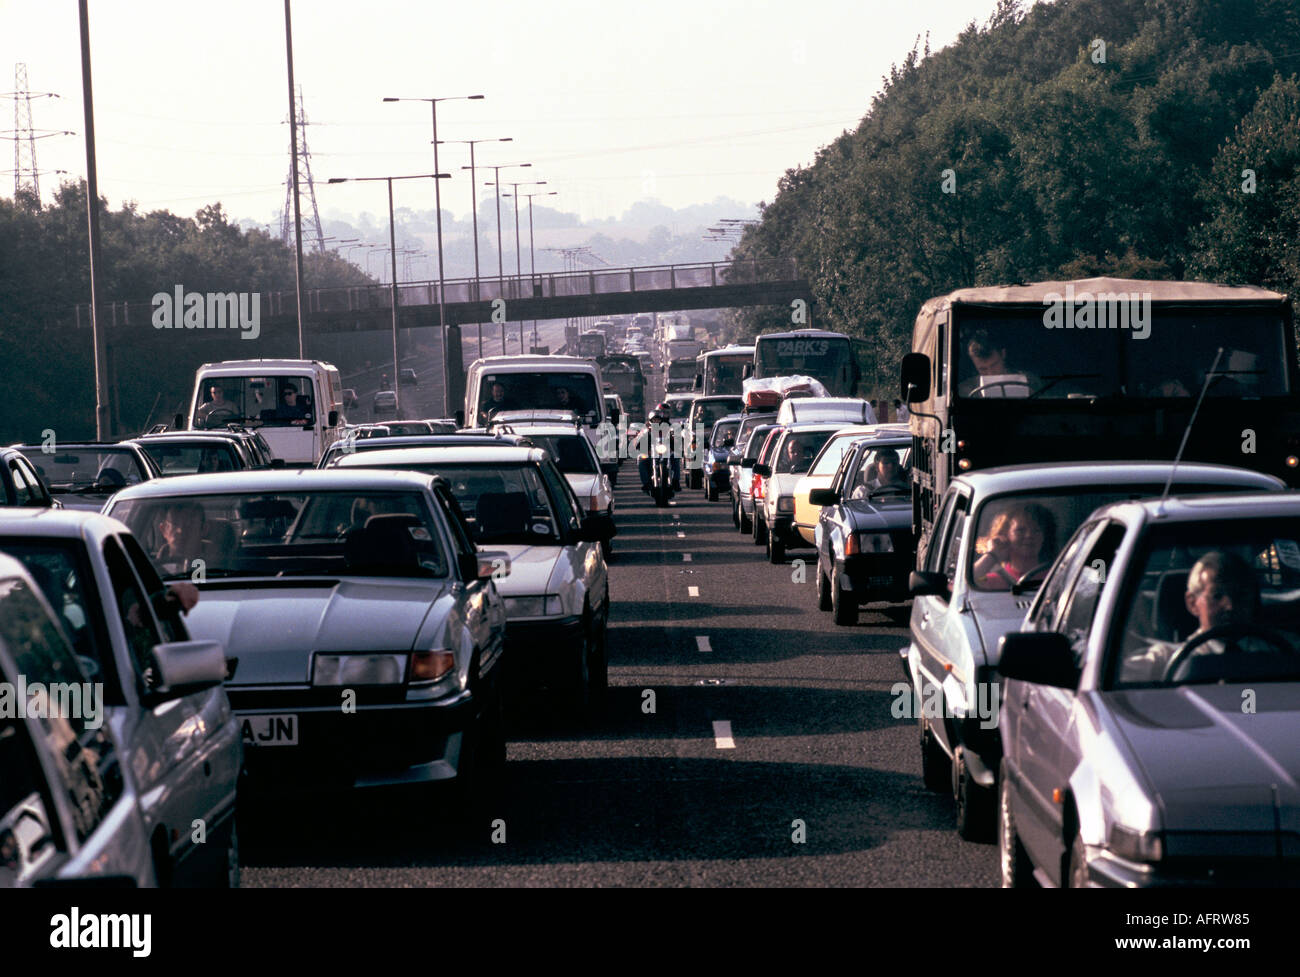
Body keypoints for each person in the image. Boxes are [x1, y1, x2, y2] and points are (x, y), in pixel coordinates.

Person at [1121, 551, 1262, 683]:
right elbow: (1114, 679)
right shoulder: (1165, 659)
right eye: (1217, 596)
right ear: (1192, 602)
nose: (1230, 606)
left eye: (1241, 595)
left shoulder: (1278, 652)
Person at [973, 502, 1057, 590]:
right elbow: (967, 581)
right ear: (1005, 535)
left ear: (1044, 537)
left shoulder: (1055, 577)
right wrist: (992, 555)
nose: (1029, 535)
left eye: (1036, 530)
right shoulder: (992, 579)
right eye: (1020, 530)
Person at [958, 328, 1035, 397]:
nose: (990, 373)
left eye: (994, 365)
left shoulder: (1030, 381)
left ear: (1003, 354)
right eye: (983, 369)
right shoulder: (965, 391)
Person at [637, 403, 680, 492]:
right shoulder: (646, 427)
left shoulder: (669, 427)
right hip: (650, 452)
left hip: (666, 451)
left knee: (676, 457)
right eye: (654, 419)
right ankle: (646, 483)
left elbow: (675, 437)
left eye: (666, 413)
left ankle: (676, 481)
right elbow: (640, 438)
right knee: (641, 460)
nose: (665, 415)